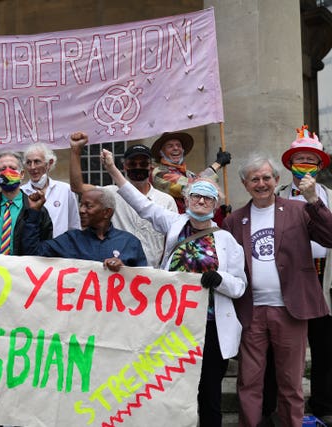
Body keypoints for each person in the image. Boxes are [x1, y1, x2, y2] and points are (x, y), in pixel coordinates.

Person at [101, 150, 246, 427]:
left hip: (211, 329)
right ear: (187, 200)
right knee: (173, 389)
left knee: (209, 395)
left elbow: (239, 286)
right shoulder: (174, 225)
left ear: (215, 204)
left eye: (207, 198)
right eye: (196, 196)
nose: (201, 201)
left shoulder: (227, 240)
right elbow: (139, 203)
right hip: (175, 326)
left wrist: (221, 281)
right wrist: (112, 170)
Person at [222, 153, 332, 427]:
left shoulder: (298, 210)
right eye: (254, 179)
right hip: (250, 311)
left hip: (289, 310)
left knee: (290, 382)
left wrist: (313, 201)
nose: (261, 184)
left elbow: (330, 237)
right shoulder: (234, 221)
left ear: (277, 180)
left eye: (266, 178)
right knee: (249, 381)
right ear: (245, 184)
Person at [262, 126, 332, 425]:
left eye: (310, 160)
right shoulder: (274, 196)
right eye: (299, 158)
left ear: (318, 166)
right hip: (286, 281)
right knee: (280, 348)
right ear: (290, 164)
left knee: (325, 348)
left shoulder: (329, 196)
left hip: (322, 279)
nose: (304, 164)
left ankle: (324, 406)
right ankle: (274, 409)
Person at [69, 131, 178, 267]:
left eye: (143, 164)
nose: (138, 167)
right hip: (118, 271)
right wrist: (75, 150)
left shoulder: (166, 200)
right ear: (125, 166)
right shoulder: (111, 193)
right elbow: (77, 186)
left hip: (153, 276)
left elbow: (173, 240)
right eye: (132, 163)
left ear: (151, 167)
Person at [23, 187, 148, 269]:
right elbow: (32, 253)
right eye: (81, 205)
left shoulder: (129, 242)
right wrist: (34, 212)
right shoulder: (71, 240)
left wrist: (124, 270)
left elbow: (145, 281)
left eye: (88, 206)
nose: (81, 210)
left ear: (107, 212)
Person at [150, 132, 231, 217]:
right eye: (170, 146)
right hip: (172, 223)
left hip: (191, 222)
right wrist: (216, 165)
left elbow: (200, 184)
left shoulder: (188, 173)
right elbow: (193, 186)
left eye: (179, 145)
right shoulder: (159, 172)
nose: (176, 148)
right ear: (161, 152)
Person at [20, 142, 80, 237]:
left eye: (37, 161)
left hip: (60, 249)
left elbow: (74, 225)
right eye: (28, 163)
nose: (32, 167)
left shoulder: (65, 190)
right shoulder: (20, 192)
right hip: (31, 250)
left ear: (49, 163)